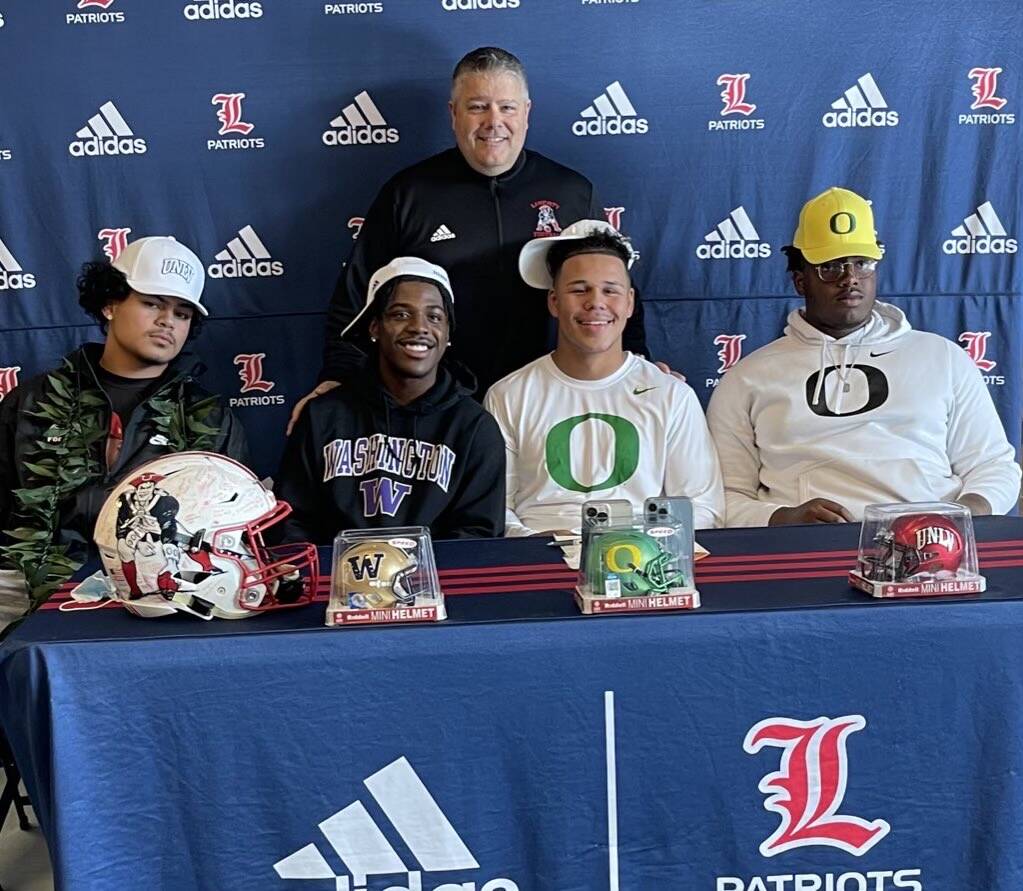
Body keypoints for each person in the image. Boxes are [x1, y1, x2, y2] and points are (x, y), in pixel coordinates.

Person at [289, 45, 649, 432]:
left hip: (547, 402)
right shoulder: (408, 194)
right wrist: (338, 377)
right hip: (438, 407)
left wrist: (641, 367)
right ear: (453, 114)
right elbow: (357, 302)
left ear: (527, 112)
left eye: (507, 107)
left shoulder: (573, 193)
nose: (494, 121)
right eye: (477, 106)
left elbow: (614, 291)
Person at [707, 187, 1021, 526]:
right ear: (801, 281)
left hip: (930, 550)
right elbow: (722, 497)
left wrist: (962, 516)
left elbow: (994, 467)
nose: (850, 278)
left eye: (862, 263)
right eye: (831, 267)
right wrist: (782, 518)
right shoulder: (747, 377)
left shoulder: (943, 358)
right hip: (804, 553)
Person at [0, 236, 249, 596]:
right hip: (31, 590)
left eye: (182, 313)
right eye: (152, 304)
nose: (168, 322)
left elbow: (230, 527)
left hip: (165, 590)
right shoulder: (31, 401)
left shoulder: (211, 417)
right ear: (110, 304)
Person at [485, 221, 724, 535]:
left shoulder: (671, 396)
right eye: (579, 289)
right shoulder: (509, 395)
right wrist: (535, 546)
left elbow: (703, 509)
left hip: (644, 568)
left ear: (629, 303)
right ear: (554, 302)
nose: (595, 302)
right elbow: (495, 511)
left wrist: (646, 551)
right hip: (538, 565)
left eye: (610, 290)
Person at [275, 257, 505, 543]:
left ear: (447, 334)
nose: (419, 327)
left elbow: (478, 534)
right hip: (337, 583)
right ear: (374, 327)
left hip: (437, 585)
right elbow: (292, 521)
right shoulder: (323, 415)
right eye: (400, 314)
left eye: (434, 316)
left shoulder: (473, 427)